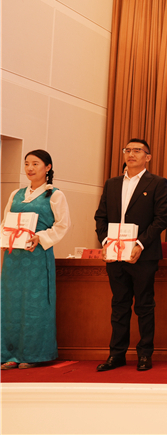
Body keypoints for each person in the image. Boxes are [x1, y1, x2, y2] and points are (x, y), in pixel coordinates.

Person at [93, 139, 167, 372]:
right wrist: (106, 241)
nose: (131, 154)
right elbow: (101, 216)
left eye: (137, 150)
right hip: (115, 254)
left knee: (144, 305)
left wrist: (140, 244)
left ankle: (145, 354)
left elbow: (162, 217)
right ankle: (116, 354)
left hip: (143, 255)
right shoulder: (112, 183)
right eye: (127, 150)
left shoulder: (157, 183)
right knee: (119, 305)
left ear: (148, 157)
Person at [1, 150, 70, 369]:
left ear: (47, 167)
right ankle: (10, 354)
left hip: (37, 256)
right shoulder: (16, 193)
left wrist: (41, 237)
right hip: (13, 257)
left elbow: (63, 225)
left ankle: (33, 354)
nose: (30, 168)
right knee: (10, 304)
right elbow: (5, 222)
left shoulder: (55, 195)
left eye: (35, 164)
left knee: (35, 304)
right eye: (27, 164)